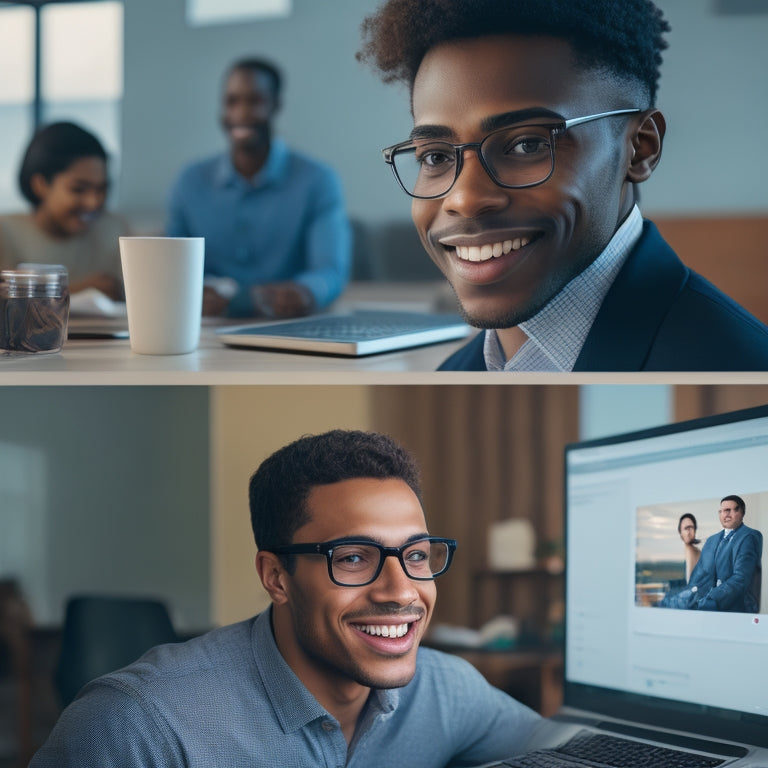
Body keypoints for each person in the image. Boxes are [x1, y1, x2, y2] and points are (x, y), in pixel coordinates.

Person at [30, 430, 542, 767]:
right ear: (276, 577)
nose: (401, 590)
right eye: (353, 558)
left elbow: (576, 751)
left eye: (416, 555)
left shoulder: (446, 691)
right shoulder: (135, 724)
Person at [357, 0, 768, 371]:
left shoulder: (738, 363)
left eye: (527, 144)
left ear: (639, 149)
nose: (464, 198)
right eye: (436, 157)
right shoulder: (456, 374)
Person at [165, 57, 351, 318]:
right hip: (208, 328)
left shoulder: (318, 180)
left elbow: (330, 271)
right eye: (232, 101)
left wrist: (305, 292)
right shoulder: (189, 182)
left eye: (255, 101)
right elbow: (171, 266)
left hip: (288, 325)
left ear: (276, 105)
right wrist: (191, 291)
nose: (241, 113)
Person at [0, 121, 126, 299]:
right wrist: (74, 291)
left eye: (101, 189)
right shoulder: (6, 233)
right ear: (40, 184)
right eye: (78, 189)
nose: (93, 202)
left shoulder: (115, 231)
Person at [686, 495, 763, 613]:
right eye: (722, 511)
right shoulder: (712, 540)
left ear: (742, 513)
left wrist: (711, 599)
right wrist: (691, 597)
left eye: (730, 510)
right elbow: (699, 574)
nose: (725, 514)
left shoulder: (750, 536)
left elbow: (741, 578)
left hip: (736, 610)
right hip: (706, 609)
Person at [677, 513, 701, 583]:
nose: (688, 532)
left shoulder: (693, 551)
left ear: (695, 530)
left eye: (691, 528)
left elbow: (690, 582)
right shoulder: (688, 550)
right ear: (680, 532)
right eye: (685, 528)